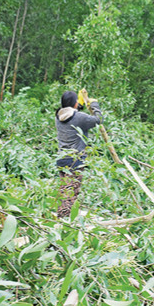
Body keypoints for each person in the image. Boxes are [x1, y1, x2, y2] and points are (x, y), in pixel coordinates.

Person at [55, 89, 102, 218]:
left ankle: (63, 215)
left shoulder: (58, 115)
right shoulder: (80, 118)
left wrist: (79, 104)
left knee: (65, 188)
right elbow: (98, 120)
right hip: (75, 160)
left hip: (62, 158)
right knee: (71, 191)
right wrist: (94, 105)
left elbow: (72, 114)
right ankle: (64, 218)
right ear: (74, 103)